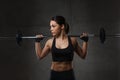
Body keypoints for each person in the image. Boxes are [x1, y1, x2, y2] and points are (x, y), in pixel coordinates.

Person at [35, 16, 88, 80]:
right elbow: (40, 56)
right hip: (55, 75)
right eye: (50, 26)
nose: (51, 29)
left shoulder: (72, 41)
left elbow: (83, 55)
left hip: (68, 74)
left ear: (62, 26)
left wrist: (85, 41)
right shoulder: (50, 42)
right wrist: (37, 42)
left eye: (53, 26)